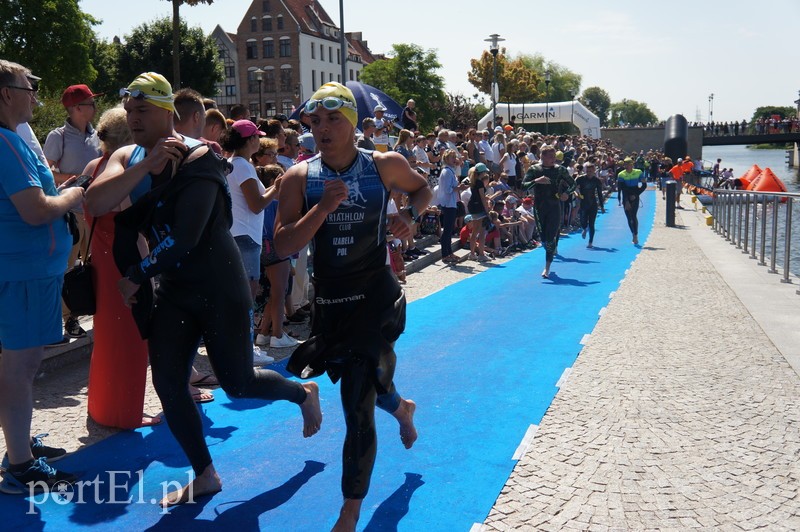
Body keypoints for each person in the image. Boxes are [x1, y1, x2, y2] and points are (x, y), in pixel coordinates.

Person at [86, 72, 322, 507]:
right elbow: (95, 202)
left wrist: (137, 274)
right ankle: (205, 474)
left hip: (219, 286)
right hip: (175, 289)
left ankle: (301, 392)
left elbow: (187, 236)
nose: (133, 118)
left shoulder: (200, 157)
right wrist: (145, 165)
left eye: (143, 110)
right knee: (168, 382)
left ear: (167, 112)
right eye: (129, 110)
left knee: (239, 383)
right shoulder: (127, 155)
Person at [273, 82, 423, 531]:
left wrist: (409, 217)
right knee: (370, 381)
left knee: (356, 401)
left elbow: (422, 190)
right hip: (332, 301)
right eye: (315, 120)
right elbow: (283, 244)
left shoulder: (384, 164)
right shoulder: (299, 177)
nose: (322, 128)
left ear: (353, 124)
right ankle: (401, 408)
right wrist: (322, 209)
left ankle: (349, 510)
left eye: (333, 119)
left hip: (376, 296)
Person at [0, 59, 84, 491]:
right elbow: (34, 210)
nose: (35, 95)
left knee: (19, 364)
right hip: (25, 273)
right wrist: (74, 194)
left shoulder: (9, 140)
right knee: (22, 366)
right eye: (28, 87)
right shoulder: (5, 142)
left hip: (23, 271)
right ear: (5, 94)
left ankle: (19, 446)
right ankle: (20, 466)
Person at [81, 107, 164, 429]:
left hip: (101, 263)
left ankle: (102, 407)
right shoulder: (127, 174)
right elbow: (135, 225)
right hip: (125, 263)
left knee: (106, 341)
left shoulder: (94, 166)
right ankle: (125, 413)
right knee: (131, 340)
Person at [44, 83, 104, 341]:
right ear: (77, 108)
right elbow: (46, 173)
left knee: (96, 265)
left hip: (96, 211)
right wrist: (76, 177)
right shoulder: (57, 136)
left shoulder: (98, 135)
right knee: (68, 268)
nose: (95, 106)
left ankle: (95, 312)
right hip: (71, 214)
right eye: (91, 102)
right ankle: (70, 320)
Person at [522, 145, 576, 278]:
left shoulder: (560, 170)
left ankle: (547, 268)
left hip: (554, 206)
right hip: (539, 207)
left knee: (551, 238)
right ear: (542, 156)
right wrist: (537, 181)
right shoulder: (535, 169)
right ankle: (550, 247)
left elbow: (573, 184)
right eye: (550, 156)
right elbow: (523, 186)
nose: (553, 159)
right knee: (544, 240)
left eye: (554, 156)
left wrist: (566, 193)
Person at [436, 149, 464, 263]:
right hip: (448, 204)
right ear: (446, 159)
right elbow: (448, 189)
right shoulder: (447, 172)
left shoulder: (451, 171)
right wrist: (459, 188)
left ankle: (449, 252)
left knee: (450, 229)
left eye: (454, 157)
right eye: (452, 157)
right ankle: (445, 254)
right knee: (447, 230)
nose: (454, 159)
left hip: (451, 203)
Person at [466, 163, 493, 262]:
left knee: (474, 231)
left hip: (473, 206)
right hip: (479, 207)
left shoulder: (473, 181)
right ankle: (481, 254)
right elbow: (482, 197)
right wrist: (487, 211)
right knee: (482, 232)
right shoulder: (480, 183)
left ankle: (472, 253)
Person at [617, 157, 647, 245]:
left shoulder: (638, 172)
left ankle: (635, 235)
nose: (626, 166)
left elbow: (644, 186)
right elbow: (622, 188)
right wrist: (626, 200)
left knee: (633, 216)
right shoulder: (621, 174)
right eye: (625, 164)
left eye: (628, 164)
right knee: (629, 217)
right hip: (626, 195)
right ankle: (633, 233)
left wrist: (636, 195)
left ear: (632, 164)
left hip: (635, 195)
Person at [575, 162, 606, 248]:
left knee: (592, 224)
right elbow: (573, 187)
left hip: (593, 204)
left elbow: (599, 194)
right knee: (583, 221)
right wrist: (576, 193)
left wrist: (602, 206)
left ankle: (590, 242)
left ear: (594, 171)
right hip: (583, 203)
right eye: (587, 171)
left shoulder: (596, 181)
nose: (589, 173)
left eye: (590, 171)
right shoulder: (580, 179)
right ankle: (584, 229)